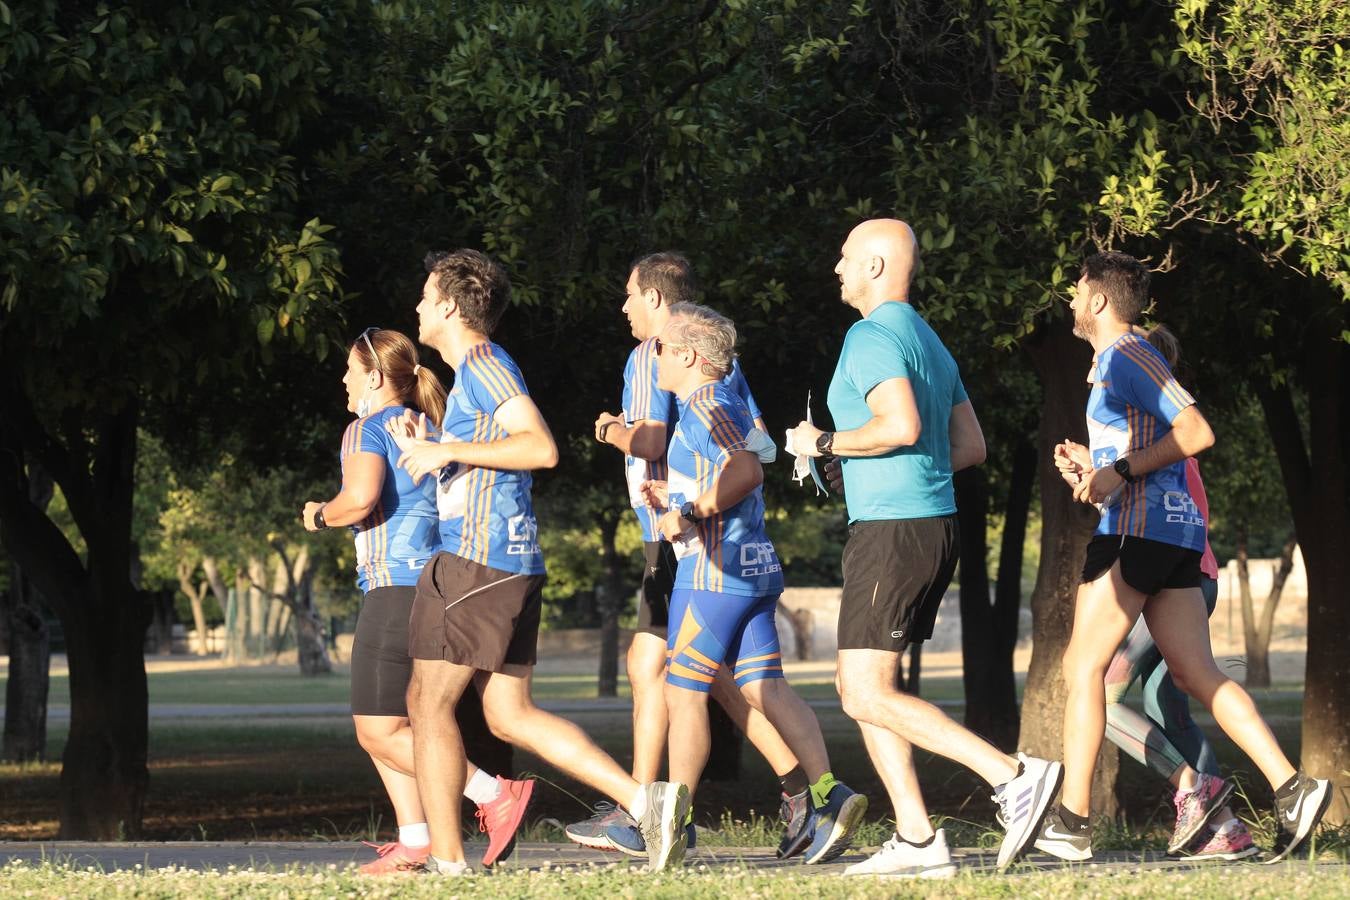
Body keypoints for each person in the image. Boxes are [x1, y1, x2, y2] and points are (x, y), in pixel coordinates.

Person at [387, 249, 689, 876]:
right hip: (509, 561)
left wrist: (445, 445)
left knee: (426, 703)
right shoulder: (478, 371)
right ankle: (645, 804)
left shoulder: (482, 364)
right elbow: (491, 456)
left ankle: (448, 864)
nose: (417, 307)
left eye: (423, 296)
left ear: (447, 306)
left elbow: (539, 446)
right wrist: (439, 454)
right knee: (507, 712)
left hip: (479, 560)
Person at [789, 218, 1062, 877]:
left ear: (877, 266)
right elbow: (967, 447)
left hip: (894, 530)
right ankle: (916, 839)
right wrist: (854, 462)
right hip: (924, 524)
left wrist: (822, 443)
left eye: (846, 255)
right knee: (866, 686)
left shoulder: (870, 335)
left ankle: (1012, 776)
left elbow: (902, 425)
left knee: (861, 691)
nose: (836, 267)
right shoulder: (930, 343)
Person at [1038, 250, 1329, 863]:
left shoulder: (1126, 354)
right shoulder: (1114, 365)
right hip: (1171, 536)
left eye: (1075, 290)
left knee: (1082, 669)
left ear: (1097, 299)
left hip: (1140, 536)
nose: (1069, 300)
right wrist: (1091, 475)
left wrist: (1115, 470)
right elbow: (1142, 460)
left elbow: (1196, 432)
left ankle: (1072, 820)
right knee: (1198, 674)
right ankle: (1293, 787)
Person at [573, 252, 816, 860]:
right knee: (726, 682)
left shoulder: (676, 376)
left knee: (674, 680)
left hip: (701, 557)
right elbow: (758, 442)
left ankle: (652, 815)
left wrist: (688, 501)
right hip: (733, 553)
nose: (626, 310)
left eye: (630, 296)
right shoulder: (718, 379)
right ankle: (814, 794)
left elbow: (732, 460)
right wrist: (686, 491)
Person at [633, 301, 867, 865]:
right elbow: (735, 469)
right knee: (766, 688)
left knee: (682, 690)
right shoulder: (725, 401)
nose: (652, 356)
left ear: (687, 355)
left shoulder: (705, 405)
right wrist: (678, 497)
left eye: (659, 347)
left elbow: (746, 469)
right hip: (753, 566)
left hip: (715, 572)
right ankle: (829, 794)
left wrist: (685, 510)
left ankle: (671, 821)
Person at [300, 327, 533, 874]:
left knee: (376, 730)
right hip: (434, 583)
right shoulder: (426, 427)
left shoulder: (364, 429)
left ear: (375, 378)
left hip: (395, 588)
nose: (343, 379)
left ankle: (490, 795)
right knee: (401, 721)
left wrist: (318, 514)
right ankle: (414, 840)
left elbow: (358, 502)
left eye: (350, 370)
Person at [1045, 324, 1254, 862]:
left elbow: (1153, 522)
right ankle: (1225, 826)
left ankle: (1197, 792)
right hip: (1188, 574)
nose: (1099, 383)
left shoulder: (1168, 448)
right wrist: (1094, 474)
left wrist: (1111, 470)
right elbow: (1132, 502)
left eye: (1108, 382)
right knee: (1171, 704)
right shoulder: (1153, 451)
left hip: (1170, 577)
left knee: (1104, 692)